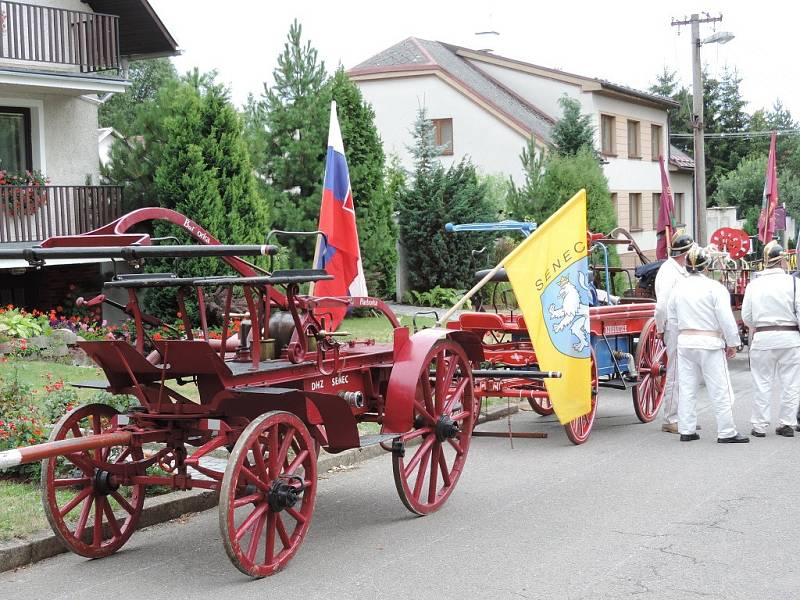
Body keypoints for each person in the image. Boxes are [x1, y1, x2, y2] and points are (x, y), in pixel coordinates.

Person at [667, 245, 748, 443]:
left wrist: (678, 339)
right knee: (720, 388)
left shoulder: (678, 288)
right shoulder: (715, 288)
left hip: (685, 341)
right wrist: (733, 342)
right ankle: (726, 431)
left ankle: (686, 429)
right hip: (710, 341)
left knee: (687, 387)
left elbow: (673, 318)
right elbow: (726, 319)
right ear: (706, 267)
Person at [742, 241, 800, 437]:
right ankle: (787, 423)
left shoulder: (754, 284)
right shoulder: (794, 283)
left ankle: (759, 425)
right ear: (781, 261)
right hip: (790, 337)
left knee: (762, 382)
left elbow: (747, 317)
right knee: (791, 383)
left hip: (763, 336)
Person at [654, 230, 694, 434]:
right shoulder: (670, 272)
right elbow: (661, 306)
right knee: (676, 372)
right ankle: (670, 418)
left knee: (686, 372)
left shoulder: (678, 270)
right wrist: (661, 328)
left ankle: (683, 415)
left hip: (681, 325)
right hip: (674, 325)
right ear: (685, 253)